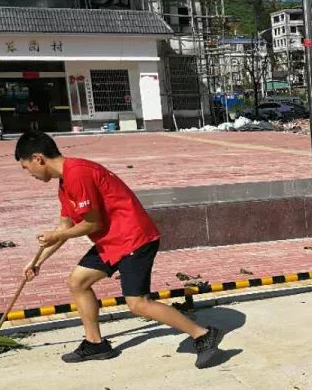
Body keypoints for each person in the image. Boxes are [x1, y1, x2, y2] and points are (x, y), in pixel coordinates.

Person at [15, 132, 224, 366]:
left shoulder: (78, 173)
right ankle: (95, 344)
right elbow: (65, 227)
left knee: (138, 304)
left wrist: (57, 235)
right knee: (77, 282)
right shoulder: (64, 183)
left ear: (38, 159)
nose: (29, 174)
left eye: (26, 167)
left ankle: (203, 334)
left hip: (134, 238)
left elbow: (92, 224)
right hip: (111, 242)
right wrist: (36, 262)